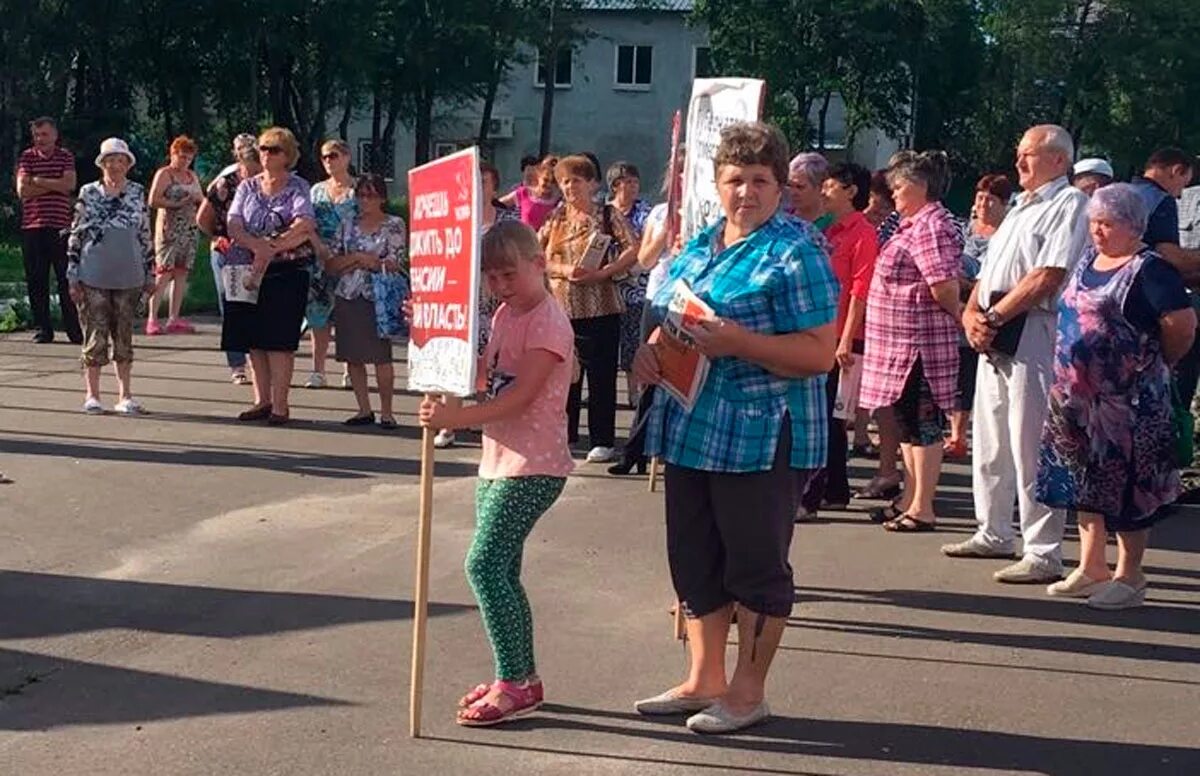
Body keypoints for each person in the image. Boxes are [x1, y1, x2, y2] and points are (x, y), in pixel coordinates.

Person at [633, 122, 837, 734]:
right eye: (734, 180)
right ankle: (704, 678)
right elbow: (672, 316)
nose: (745, 191)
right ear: (716, 185)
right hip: (691, 424)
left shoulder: (797, 250)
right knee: (694, 558)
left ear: (780, 187)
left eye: (759, 180)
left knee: (755, 567)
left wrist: (738, 342)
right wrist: (649, 351)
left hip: (761, 431)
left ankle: (749, 693)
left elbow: (820, 354)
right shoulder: (700, 243)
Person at [417, 220, 575, 727]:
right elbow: (483, 378)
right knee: (503, 571)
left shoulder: (549, 322)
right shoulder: (506, 314)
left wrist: (452, 421)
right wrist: (434, 336)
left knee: (483, 566)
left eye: (510, 274)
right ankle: (521, 677)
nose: (501, 286)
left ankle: (514, 681)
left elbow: (519, 396)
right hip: (500, 461)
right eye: (492, 277)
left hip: (535, 465)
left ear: (538, 264)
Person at [942, 124, 1090, 583]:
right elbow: (988, 273)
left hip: (1034, 328)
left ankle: (1043, 550)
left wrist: (995, 317)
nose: (1020, 161)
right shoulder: (1021, 207)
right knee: (990, 435)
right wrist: (971, 315)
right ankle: (993, 529)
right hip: (997, 324)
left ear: (1059, 161)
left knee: (1031, 440)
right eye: (1019, 153)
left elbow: (1048, 274)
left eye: (1029, 154)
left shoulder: (1069, 205)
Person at [1036, 184, 1196, 609]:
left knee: (1130, 491)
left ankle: (1131, 575)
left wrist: (1157, 361)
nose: (1097, 232)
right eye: (1094, 223)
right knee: (1085, 483)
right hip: (1075, 400)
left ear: (1133, 226)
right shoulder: (1089, 259)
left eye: (1107, 224)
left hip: (1129, 406)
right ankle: (1092, 566)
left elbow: (1181, 324)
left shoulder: (1150, 269)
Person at [858, 151, 963, 532]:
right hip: (898, 345)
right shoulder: (911, 223)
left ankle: (922, 506)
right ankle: (908, 498)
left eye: (899, 186)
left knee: (923, 425)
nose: (894, 193)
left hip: (919, 345)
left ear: (920, 187)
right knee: (906, 425)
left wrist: (964, 314)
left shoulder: (931, 226)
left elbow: (943, 285)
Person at [540, 154, 638, 463]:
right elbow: (537, 255)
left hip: (602, 307)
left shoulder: (607, 215)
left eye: (576, 181)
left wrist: (603, 272)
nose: (570, 188)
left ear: (592, 183)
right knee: (565, 375)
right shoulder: (556, 218)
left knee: (602, 375)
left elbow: (633, 249)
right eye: (565, 182)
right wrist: (563, 268)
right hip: (563, 309)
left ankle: (603, 439)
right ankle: (565, 435)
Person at [796, 162, 877, 519]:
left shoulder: (862, 233)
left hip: (841, 338)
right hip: (821, 331)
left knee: (824, 416)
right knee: (828, 417)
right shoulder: (828, 232)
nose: (824, 192)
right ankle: (836, 489)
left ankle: (809, 499)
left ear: (851, 192)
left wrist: (845, 341)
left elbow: (861, 290)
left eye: (830, 186)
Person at [221, 126, 317, 426]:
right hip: (246, 268)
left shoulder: (298, 186)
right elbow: (233, 223)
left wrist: (272, 248)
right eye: (262, 148)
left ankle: (280, 405)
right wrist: (256, 246)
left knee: (279, 341)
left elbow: (304, 223)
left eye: (273, 149)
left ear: (286, 155)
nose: (265, 154)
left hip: (285, 271)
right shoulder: (248, 186)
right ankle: (260, 401)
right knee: (253, 338)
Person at [432, 161, 521, 450]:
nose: (478, 187)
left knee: (490, 362)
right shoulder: (454, 215)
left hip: (495, 298)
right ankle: (450, 422)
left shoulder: (508, 219)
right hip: (460, 298)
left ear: (494, 185)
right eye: (472, 182)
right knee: (455, 360)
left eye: (483, 181)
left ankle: (486, 418)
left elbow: (517, 254)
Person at [65, 138, 154, 415]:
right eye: (110, 160)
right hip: (93, 273)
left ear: (128, 164)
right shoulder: (89, 192)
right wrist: (72, 274)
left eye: (120, 160)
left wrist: (151, 272)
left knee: (124, 334)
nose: (115, 165)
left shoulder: (138, 191)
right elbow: (76, 232)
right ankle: (92, 394)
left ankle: (125, 395)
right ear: (101, 164)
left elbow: (144, 233)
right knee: (94, 333)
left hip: (129, 274)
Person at [609, 153, 683, 475]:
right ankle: (635, 450)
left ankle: (671, 448)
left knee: (682, 377)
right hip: (658, 295)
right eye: (678, 172)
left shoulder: (710, 213)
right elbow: (645, 259)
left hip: (689, 301)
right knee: (648, 372)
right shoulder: (659, 211)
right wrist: (664, 234)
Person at [326, 174, 405, 428]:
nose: (365, 200)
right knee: (353, 356)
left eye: (371, 195)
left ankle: (387, 412)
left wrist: (370, 262)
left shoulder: (394, 224)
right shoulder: (346, 225)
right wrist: (359, 258)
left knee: (381, 356)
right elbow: (332, 263)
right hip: (348, 294)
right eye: (361, 195)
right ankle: (363, 409)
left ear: (382, 197)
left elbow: (394, 263)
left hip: (378, 296)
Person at [945, 173, 1014, 458]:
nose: (984, 204)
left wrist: (964, 284)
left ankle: (960, 436)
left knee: (969, 374)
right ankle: (954, 432)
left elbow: (996, 280)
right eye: (980, 197)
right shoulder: (965, 230)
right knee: (956, 372)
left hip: (989, 311)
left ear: (1004, 204)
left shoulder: (1007, 234)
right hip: (957, 311)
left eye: (991, 199)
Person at [1128, 149, 1200, 417]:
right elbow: (1170, 257)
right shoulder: (1161, 200)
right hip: (1148, 305)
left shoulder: (1122, 193)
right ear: (1176, 170)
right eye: (1184, 182)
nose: (1181, 193)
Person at [197, 133, 260, 384]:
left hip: (258, 252)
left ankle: (260, 364)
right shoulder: (225, 183)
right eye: (249, 169)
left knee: (257, 307)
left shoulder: (267, 183)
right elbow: (202, 217)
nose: (254, 174)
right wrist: (216, 235)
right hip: (227, 252)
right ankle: (237, 364)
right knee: (231, 307)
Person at [14, 116, 82, 344]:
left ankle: (74, 329)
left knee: (66, 279)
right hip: (32, 226)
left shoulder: (65, 156)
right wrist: (53, 184)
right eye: (36, 135)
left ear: (54, 135)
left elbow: (69, 185)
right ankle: (44, 329)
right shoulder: (27, 157)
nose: (39, 139)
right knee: (37, 279)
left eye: (44, 134)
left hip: (60, 226)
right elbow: (23, 191)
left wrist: (38, 181)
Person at [305, 139, 359, 389]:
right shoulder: (316, 191)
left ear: (347, 158)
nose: (329, 161)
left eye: (334, 155)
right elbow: (306, 223)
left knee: (347, 316)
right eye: (325, 156)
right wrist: (318, 246)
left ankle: (350, 368)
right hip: (320, 259)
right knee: (318, 317)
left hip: (349, 260)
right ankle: (318, 369)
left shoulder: (358, 190)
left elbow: (366, 221)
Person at [607, 161, 653, 407]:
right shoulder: (604, 211)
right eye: (627, 182)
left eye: (635, 182)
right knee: (607, 342)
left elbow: (645, 244)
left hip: (635, 285)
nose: (633, 187)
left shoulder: (644, 211)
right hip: (606, 286)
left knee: (632, 342)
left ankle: (633, 392)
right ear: (615, 185)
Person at [146, 135, 203, 335]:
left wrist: (196, 199)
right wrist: (175, 204)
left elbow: (201, 199)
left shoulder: (192, 176)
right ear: (173, 154)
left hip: (189, 228)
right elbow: (153, 200)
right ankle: (152, 318)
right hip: (169, 228)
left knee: (181, 272)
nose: (185, 162)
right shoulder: (165, 174)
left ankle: (174, 317)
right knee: (163, 273)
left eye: (188, 158)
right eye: (181, 157)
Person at [501, 155, 559, 230]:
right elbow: (497, 205)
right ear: (538, 175)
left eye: (553, 182)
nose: (549, 185)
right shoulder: (524, 193)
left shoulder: (559, 202)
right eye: (546, 180)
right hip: (523, 239)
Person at [785, 152, 831, 229]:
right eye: (789, 185)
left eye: (800, 187)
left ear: (820, 187)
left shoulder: (833, 223)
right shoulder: (782, 218)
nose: (792, 192)